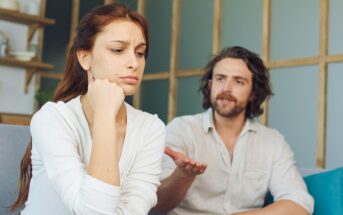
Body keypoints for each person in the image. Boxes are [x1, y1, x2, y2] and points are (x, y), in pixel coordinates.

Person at [9, 3, 165, 215]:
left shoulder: (151, 128)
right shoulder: (52, 119)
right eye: (118, 50)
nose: (134, 63)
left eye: (140, 53)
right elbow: (95, 211)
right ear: (85, 58)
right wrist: (105, 115)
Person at [155, 46, 314, 215]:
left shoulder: (273, 142)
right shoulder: (181, 129)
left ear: (253, 92)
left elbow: (299, 203)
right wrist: (182, 175)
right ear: (210, 85)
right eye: (220, 79)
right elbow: (156, 206)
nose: (226, 88)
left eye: (238, 81)